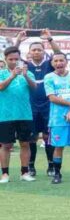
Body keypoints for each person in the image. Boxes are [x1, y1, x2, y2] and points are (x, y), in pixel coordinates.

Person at [14, 29, 62, 177]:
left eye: (39, 50)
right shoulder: (25, 65)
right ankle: (31, 166)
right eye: (33, 50)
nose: (36, 52)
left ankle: (51, 166)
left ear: (43, 51)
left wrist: (49, 39)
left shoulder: (49, 64)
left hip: (48, 106)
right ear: (29, 52)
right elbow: (13, 56)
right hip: (30, 107)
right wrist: (18, 41)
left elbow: (59, 54)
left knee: (48, 136)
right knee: (32, 137)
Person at [44, 52, 70, 184]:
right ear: (52, 64)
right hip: (57, 120)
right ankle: (57, 174)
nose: (59, 63)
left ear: (66, 62)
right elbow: (52, 98)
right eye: (55, 61)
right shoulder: (49, 78)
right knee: (58, 147)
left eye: (61, 60)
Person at [0, 46, 37, 183]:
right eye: (11, 59)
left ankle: (24, 172)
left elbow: (34, 88)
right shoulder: (2, 73)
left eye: (16, 59)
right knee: (5, 145)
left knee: (25, 144)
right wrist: (12, 76)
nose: (14, 61)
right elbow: (1, 87)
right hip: (5, 115)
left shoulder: (27, 73)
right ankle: (5, 174)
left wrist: (25, 75)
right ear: (6, 59)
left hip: (25, 115)